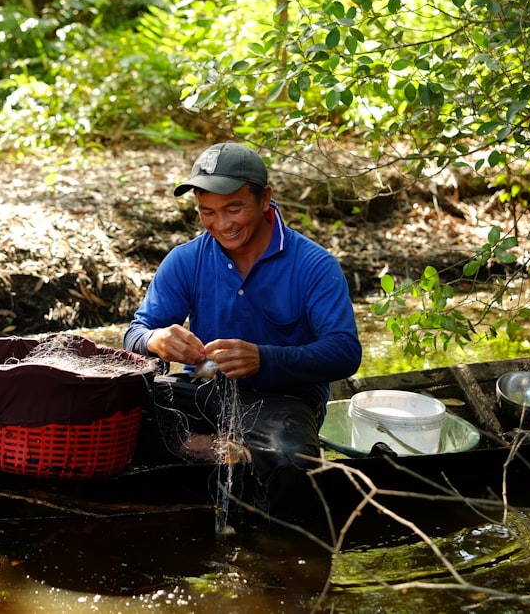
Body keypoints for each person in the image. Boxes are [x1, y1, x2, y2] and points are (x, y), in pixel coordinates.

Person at [123, 141, 362, 518]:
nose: (221, 224)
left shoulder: (314, 265)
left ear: (264, 199)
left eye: (234, 208)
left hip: (287, 399)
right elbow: (135, 334)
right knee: (118, 408)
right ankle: (219, 448)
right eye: (208, 212)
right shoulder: (185, 261)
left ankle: (279, 554)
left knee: (291, 462)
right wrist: (155, 340)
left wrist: (263, 359)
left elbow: (345, 352)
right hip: (205, 384)